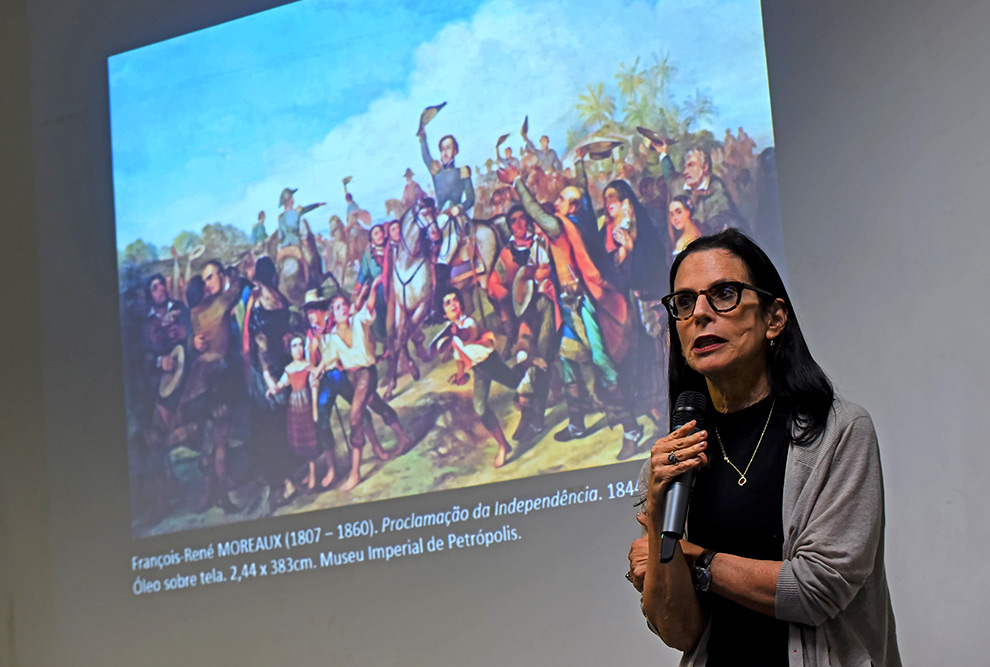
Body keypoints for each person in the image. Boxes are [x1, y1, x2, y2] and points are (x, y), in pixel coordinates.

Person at [625, 229, 900, 666]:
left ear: (774, 318)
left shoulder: (839, 432)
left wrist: (695, 557)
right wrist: (660, 520)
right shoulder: (672, 461)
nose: (699, 313)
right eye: (683, 302)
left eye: (724, 294)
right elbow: (679, 631)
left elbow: (815, 591)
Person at [316, 287, 412, 491]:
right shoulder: (333, 336)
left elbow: (369, 306)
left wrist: (374, 289)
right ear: (333, 313)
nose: (342, 309)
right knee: (376, 404)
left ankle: (355, 474)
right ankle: (403, 437)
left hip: (367, 374)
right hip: (352, 377)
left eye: (343, 305)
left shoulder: (359, 320)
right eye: (337, 307)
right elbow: (328, 359)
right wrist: (318, 369)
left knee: (355, 417)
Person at [485, 204, 559, 442]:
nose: (520, 224)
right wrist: (499, 290)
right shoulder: (507, 252)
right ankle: (529, 417)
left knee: (543, 358)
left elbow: (551, 269)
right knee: (527, 358)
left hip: (545, 304)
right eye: (514, 220)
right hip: (523, 316)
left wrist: (541, 276)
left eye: (522, 219)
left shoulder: (540, 243)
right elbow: (495, 282)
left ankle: (534, 418)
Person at [432, 287, 528, 468]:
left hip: (490, 362)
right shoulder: (452, 335)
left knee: (515, 382)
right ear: (444, 313)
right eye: (448, 303)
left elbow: (470, 335)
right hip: (478, 370)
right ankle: (503, 445)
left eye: (455, 300)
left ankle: (526, 366)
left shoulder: (468, 322)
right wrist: (459, 376)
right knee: (480, 408)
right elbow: (459, 358)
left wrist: (458, 332)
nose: (453, 304)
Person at [265, 334, 320, 497]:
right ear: (290, 350)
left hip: (306, 404)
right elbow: (282, 383)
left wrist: (315, 409)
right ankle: (310, 473)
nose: (298, 349)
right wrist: (272, 389)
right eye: (295, 346)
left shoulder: (308, 366)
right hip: (294, 406)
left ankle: (314, 477)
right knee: (300, 439)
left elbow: (314, 387)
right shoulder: (289, 369)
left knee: (311, 441)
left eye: (301, 345)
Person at [667, 194, 703, 259]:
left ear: (688, 211)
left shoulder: (681, 243)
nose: (675, 218)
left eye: (679, 212)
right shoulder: (699, 228)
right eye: (672, 215)